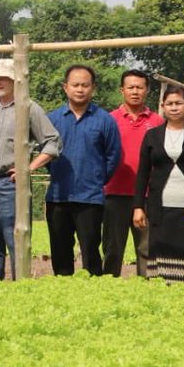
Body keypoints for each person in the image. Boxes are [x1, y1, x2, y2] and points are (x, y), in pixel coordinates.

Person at [0, 59, 61, 280]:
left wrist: (28, 168)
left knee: (16, 238)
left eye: (3, 78)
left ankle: (20, 286)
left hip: (11, 183)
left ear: (16, 80)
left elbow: (53, 142)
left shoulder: (29, 107)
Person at [132, 85, 184, 283]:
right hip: (159, 208)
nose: (174, 108)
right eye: (169, 104)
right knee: (159, 254)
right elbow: (143, 174)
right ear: (162, 106)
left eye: (179, 103)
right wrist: (138, 206)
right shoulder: (152, 135)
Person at [45, 64, 121, 276]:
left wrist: (97, 178)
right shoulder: (52, 119)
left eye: (85, 85)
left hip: (90, 198)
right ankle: (63, 290)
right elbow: (45, 154)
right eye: (75, 85)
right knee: (60, 251)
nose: (80, 89)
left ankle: (92, 293)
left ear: (93, 88)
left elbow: (113, 156)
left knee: (90, 251)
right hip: (58, 196)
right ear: (65, 88)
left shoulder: (105, 120)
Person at [103, 70, 163, 277]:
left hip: (147, 196)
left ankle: (147, 289)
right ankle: (109, 288)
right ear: (122, 90)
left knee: (147, 249)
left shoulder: (157, 122)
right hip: (114, 193)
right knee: (112, 249)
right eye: (131, 87)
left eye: (140, 87)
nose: (135, 92)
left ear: (147, 90)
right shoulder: (109, 120)